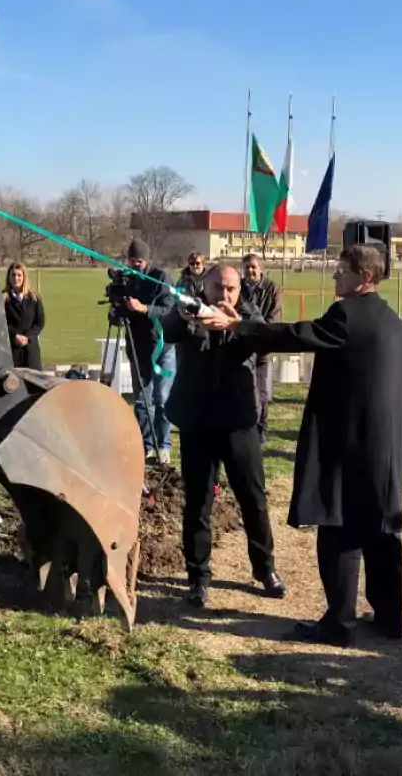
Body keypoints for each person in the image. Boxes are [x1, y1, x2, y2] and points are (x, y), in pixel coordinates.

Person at [204, 245, 402, 647]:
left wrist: (238, 327)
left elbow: (296, 334)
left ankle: (339, 624)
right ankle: (391, 619)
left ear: (364, 278)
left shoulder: (347, 315)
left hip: (347, 447)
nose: (334, 277)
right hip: (385, 451)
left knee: (338, 531)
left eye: (340, 271)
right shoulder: (396, 325)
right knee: (382, 531)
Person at [161, 260, 286, 607]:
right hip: (198, 422)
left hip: (239, 422)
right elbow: (167, 329)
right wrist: (187, 316)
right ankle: (197, 577)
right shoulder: (190, 307)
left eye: (232, 288)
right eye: (219, 287)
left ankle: (265, 569)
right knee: (198, 503)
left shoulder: (248, 314)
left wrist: (237, 322)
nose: (225, 293)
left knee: (254, 500)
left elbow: (264, 339)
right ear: (207, 286)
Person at [121, 239, 176, 465]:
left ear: (147, 259)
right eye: (132, 261)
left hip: (163, 346)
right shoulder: (126, 280)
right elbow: (116, 312)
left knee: (162, 398)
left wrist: (144, 308)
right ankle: (147, 445)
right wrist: (118, 313)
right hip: (138, 346)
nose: (136, 265)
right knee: (143, 400)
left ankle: (163, 444)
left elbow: (169, 307)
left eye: (140, 261)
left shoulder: (160, 278)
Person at [240, 253, 282, 443]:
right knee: (242, 389)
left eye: (253, 267)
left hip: (262, 346)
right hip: (240, 346)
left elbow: (275, 316)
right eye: (247, 267)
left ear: (261, 269)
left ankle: (260, 429)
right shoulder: (238, 287)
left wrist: (263, 333)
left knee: (261, 392)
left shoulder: (271, 289)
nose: (250, 270)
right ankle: (244, 426)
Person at [3, 262, 45, 370]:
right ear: (9, 277)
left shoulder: (34, 297)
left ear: (24, 277)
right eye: (13, 275)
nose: (16, 278)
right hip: (12, 351)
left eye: (19, 275)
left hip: (31, 350)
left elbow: (40, 322)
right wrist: (14, 336)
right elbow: (0, 323)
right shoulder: (3, 298)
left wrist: (27, 337)